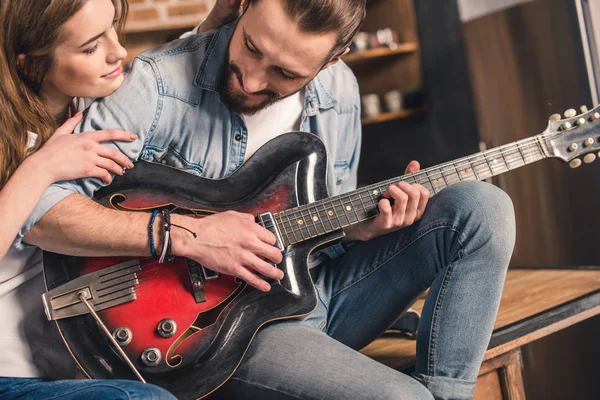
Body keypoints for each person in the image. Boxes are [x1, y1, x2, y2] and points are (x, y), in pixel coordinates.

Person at [19, 0, 516, 399]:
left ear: (333, 58)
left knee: (482, 207)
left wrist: (361, 226)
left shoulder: (340, 90)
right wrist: (190, 235)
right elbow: (40, 213)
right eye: (251, 48)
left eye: (285, 73)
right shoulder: (157, 85)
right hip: (229, 329)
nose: (254, 79)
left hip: (318, 290)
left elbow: (323, 226)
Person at [0, 0, 242, 399]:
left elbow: (159, 82)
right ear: (31, 65)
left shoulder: (90, 105)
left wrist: (212, 27)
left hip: (81, 363)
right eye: (91, 47)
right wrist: (39, 169)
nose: (118, 52)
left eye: (114, 29)